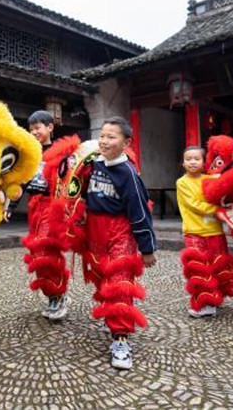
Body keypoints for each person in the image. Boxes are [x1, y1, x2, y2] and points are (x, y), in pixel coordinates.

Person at [84, 116, 156, 370]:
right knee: (102, 278)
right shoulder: (93, 163)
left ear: (126, 143)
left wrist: (147, 248)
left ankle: (121, 340)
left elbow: (140, 212)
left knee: (119, 285)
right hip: (95, 231)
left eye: (111, 137)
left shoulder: (128, 173)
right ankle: (111, 317)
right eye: (102, 136)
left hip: (120, 232)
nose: (104, 141)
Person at [6, 110, 71, 320]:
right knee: (37, 252)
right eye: (31, 129)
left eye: (38, 128)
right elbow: (22, 182)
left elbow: (69, 182)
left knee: (46, 251)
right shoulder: (29, 153)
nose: (34, 132)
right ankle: (54, 294)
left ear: (50, 127)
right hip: (34, 208)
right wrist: (11, 205)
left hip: (52, 207)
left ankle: (57, 296)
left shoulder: (61, 151)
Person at [176, 146, 233, 319]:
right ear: (183, 163)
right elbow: (194, 205)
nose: (192, 162)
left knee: (219, 265)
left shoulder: (211, 179)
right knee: (199, 269)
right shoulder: (182, 183)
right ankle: (205, 304)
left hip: (215, 231)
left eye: (197, 159)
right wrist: (219, 210)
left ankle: (216, 297)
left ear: (204, 162)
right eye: (188, 159)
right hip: (194, 232)